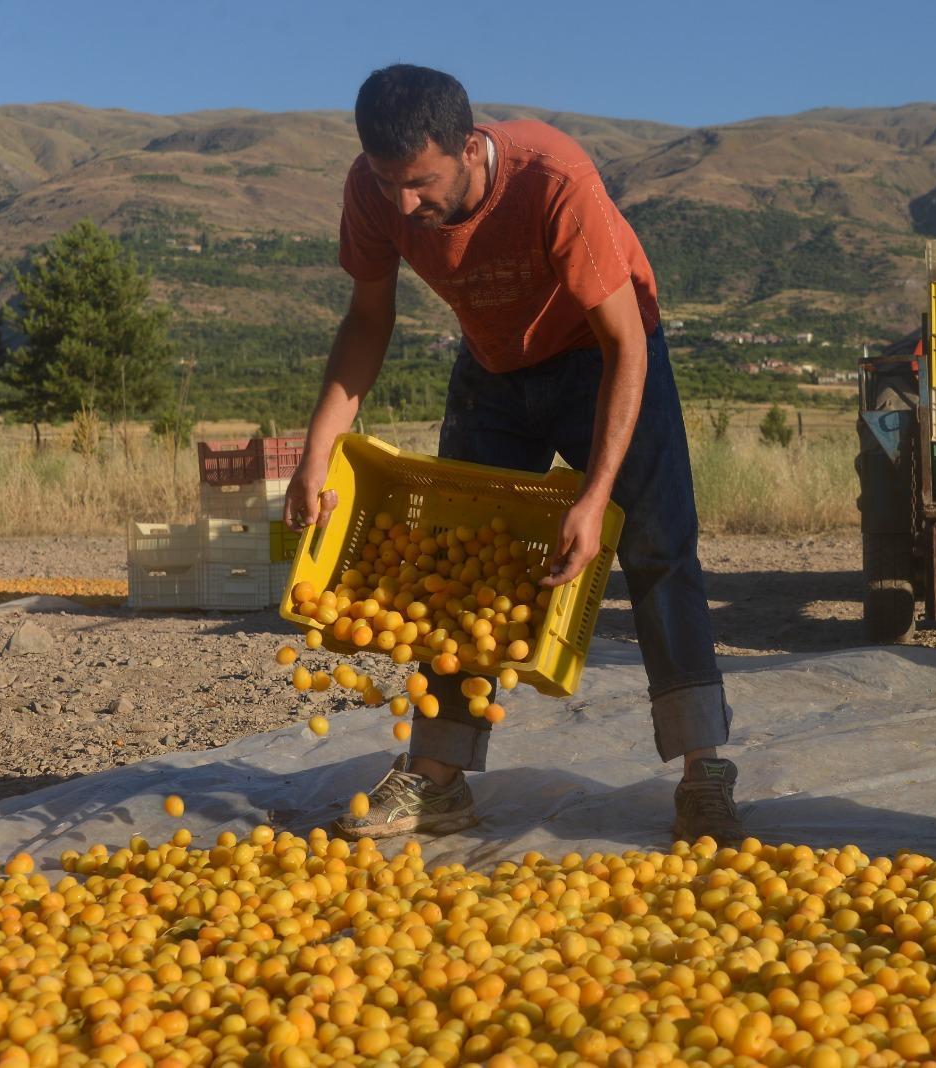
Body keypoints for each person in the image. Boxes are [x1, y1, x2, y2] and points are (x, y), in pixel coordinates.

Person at [284, 64, 743, 846]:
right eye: (389, 181)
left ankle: (704, 772)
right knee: (458, 559)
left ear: (467, 147)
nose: (404, 204)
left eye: (421, 182)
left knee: (660, 548)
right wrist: (318, 445)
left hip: (604, 356)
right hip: (495, 364)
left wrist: (594, 499)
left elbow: (626, 342)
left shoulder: (551, 179)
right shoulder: (373, 190)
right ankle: (437, 779)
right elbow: (367, 320)